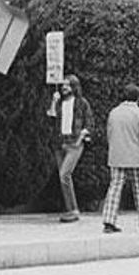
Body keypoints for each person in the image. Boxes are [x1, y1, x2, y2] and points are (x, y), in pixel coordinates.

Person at [101, 84, 139, 233]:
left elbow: (109, 134)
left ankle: (109, 220)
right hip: (137, 158)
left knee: (114, 188)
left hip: (117, 156)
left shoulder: (114, 113)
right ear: (138, 98)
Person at [46, 74, 94, 222]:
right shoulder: (59, 102)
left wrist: (80, 139)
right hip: (60, 143)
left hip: (74, 143)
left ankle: (73, 210)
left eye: (67, 85)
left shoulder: (81, 103)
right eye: (63, 85)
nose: (64, 87)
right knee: (64, 177)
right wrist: (53, 102)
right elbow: (51, 117)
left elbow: (89, 123)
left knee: (64, 175)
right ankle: (70, 209)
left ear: (74, 86)